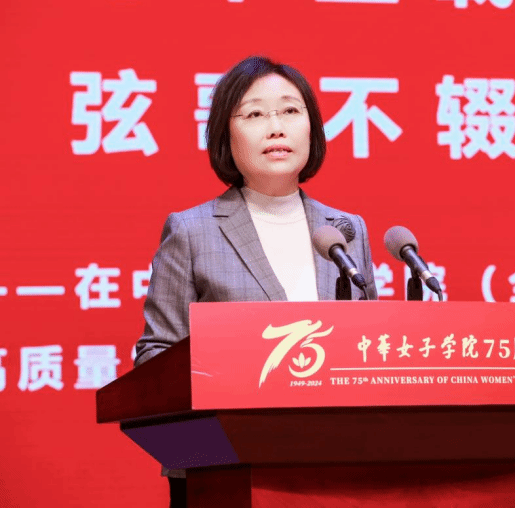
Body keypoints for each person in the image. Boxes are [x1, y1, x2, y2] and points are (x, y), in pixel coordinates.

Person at [133, 55, 378, 507]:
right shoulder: (192, 231)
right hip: (225, 469)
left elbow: (370, 348)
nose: (276, 127)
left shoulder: (347, 230)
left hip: (335, 464)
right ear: (226, 136)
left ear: (312, 128)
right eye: (254, 114)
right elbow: (156, 357)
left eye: (290, 110)